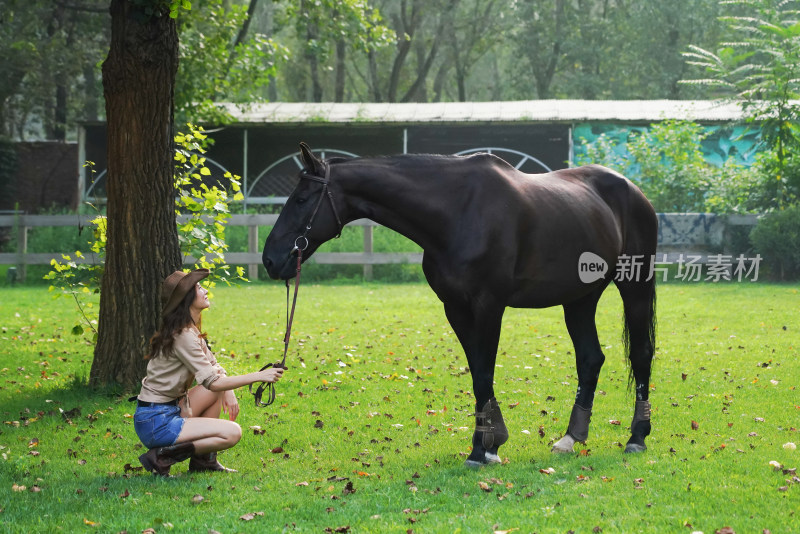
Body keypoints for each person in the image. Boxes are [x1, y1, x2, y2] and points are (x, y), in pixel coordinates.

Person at [133, 268, 284, 476]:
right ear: (186, 298)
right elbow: (212, 381)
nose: (205, 290)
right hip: (156, 421)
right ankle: (162, 455)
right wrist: (259, 376)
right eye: (199, 287)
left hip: (168, 410)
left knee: (217, 390)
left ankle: (203, 461)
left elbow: (214, 367)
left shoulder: (190, 330)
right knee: (232, 433)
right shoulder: (183, 335)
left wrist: (228, 390)